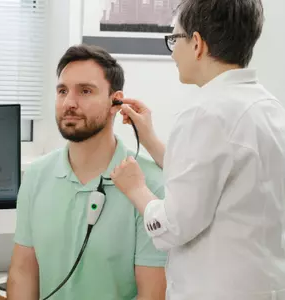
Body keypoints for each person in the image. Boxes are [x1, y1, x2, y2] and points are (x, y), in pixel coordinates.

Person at [110, 0, 285, 299]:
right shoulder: (267, 107)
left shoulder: (205, 113)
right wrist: (150, 138)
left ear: (197, 44)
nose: (173, 53)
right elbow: (210, 177)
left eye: (174, 39)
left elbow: (173, 227)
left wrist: (136, 188)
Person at [6, 44, 167, 300]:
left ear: (116, 102)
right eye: (62, 91)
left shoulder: (150, 185)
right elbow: (24, 271)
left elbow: (152, 293)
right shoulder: (36, 176)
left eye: (85, 91)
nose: (69, 103)